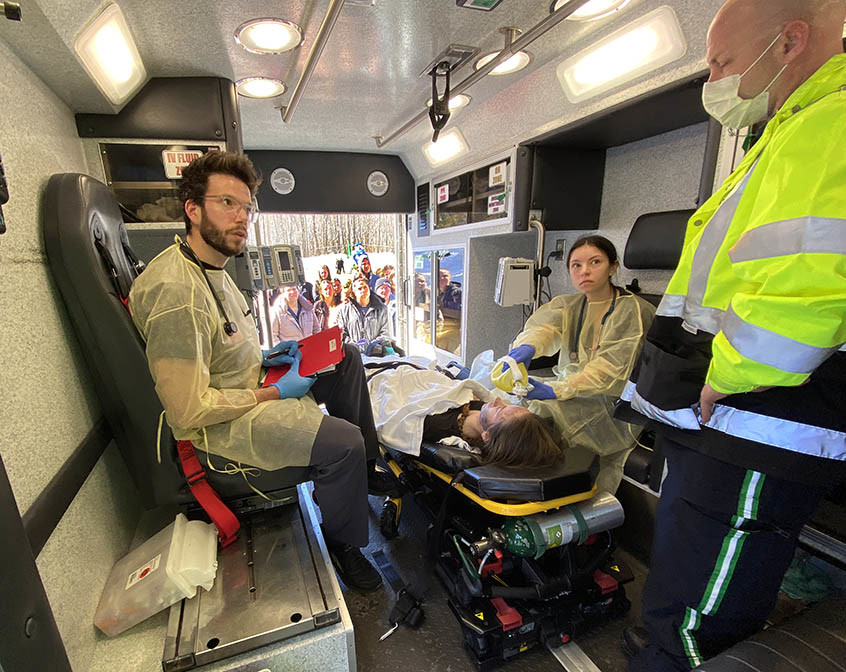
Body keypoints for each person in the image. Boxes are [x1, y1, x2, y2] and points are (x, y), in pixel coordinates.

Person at [615, 2, 846, 669]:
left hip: (758, 420)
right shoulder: (788, 132)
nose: (714, 78)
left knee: (700, 618)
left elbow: (810, 289)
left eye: (722, 61)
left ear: (789, 42)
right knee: (683, 590)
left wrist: (726, 376)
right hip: (732, 419)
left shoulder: (835, 124)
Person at [128, 151, 398, 594]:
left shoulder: (211, 268)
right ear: (192, 210)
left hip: (249, 383)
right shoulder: (177, 291)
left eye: (247, 207)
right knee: (342, 442)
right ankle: (344, 543)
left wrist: (270, 356)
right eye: (227, 204)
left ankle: (363, 469)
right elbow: (187, 411)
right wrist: (277, 393)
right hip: (223, 426)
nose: (241, 218)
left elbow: (222, 345)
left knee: (344, 357)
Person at [497, 235, 655, 494]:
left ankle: (541, 493)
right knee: (507, 400)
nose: (585, 272)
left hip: (611, 404)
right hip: (572, 389)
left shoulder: (632, 311)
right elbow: (546, 328)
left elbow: (609, 372)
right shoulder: (570, 305)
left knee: (534, 416)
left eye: (595, 262)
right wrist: (527, 347)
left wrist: (556, 391)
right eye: (576, 265)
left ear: (613, 267)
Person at [366, 360, 563, 469]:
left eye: (500, 409)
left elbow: (394, 411)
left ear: (486, 435)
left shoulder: (434, 424)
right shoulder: (481, 407)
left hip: (384, 379)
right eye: (505, 403)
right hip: (413, 369)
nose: (496, 400)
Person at [337, 273, 391, 345]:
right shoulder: (344, 311)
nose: (363, 290)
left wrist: (372, 346)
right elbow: (341, 333)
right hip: (353, 352)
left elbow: (385, 332)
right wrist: (353, 346)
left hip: (376, 352)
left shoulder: (382, 309)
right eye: (359, 288)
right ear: (354, 292)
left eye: (365, 287)